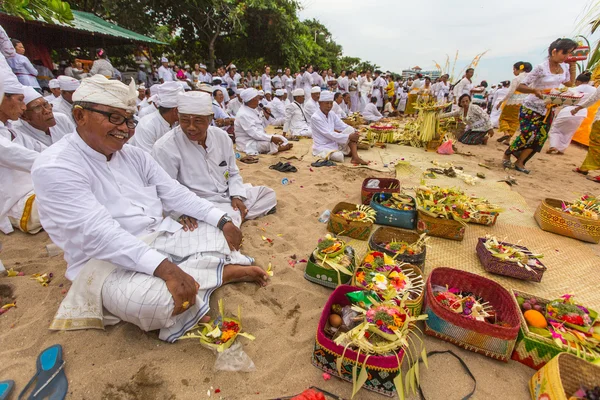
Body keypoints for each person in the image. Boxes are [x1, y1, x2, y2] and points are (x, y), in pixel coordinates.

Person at [31, 75, 267, 341]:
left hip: (160, 236)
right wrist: (165, 269)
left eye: (129, 120)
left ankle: (204, 276)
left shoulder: (134, 155)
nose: (125, 129)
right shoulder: (56, 166)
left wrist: (222, 220)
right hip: (105, 262)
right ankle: (218, 273)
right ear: (80, 115)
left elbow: (176, 193)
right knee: (156, 302)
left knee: (218, 230)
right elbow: (98, 234)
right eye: (114, 118)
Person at [152, 91, 277, 227]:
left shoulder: (221, 137)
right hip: (197, 204)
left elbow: (233, 173)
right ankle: (231, 219)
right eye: (185, 120)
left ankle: (233, 217)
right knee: (216, 221)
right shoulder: (165, 147)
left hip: (226, 196)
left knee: (267, 194)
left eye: (198, 121)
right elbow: (166, 192)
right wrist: (179, 213)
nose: (191, 127)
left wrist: (236, 195)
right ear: (178, 117)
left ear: (210, 118)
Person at [503, 39, 577, 173]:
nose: (566, 57)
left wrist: (572, 67)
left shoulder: (564, 67)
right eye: (564, 53)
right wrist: (534, 91)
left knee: (539, 138)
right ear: (554, 51)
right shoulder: (541, 68)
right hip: (532, 107)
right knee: (527, 135)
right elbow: (521, 86)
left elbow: (569, 84)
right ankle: (507, 153)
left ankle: (520, 162)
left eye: (569, 54)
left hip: (548, 108)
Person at [0, 75, 44, 235]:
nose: (24, 107)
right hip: (14, 203)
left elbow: (45, 151)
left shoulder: (10, 129)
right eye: (20, 100)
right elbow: (33, 158)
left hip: (33, 192)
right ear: (2, 98)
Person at [546, 71, 596, 155]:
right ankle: (561, 149)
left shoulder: (572, 89)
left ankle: (553, 145)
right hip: (582, 113)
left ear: (578, 81)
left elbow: (561, 98)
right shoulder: (594, 90)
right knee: (569, 132)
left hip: (568, 111)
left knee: (555, 129)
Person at [311, 91, 367, 165]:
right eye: (327, 103)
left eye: (331, 103)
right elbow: (329, 134)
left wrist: (355, 132)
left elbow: (342, 126)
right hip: (322, 146)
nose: (329, 106)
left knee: (350, 129)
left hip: (334, 142)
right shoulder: (315, 117)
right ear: (320, 103)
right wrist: (349, 136)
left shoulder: (331, 114)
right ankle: (349, 152)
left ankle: (355, 157)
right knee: (339, 157)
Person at [234, 88, 292, 155]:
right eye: (257, 98)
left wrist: (266, 117)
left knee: (281, 138)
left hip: (257, 138)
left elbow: (261, 127)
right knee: (269, 143)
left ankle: (275, 148)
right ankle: (277, 148)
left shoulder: (253, 110)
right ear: (252, 100)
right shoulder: (243, 114)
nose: (259, 101)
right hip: (247, 143)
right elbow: (254, 133)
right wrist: (271, 138)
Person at [131, 81, 182, 152]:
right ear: (175, 110)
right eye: (183, 108)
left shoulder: (177, 123)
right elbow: (148, 159)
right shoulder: (147, 126)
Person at [496, 62, 533, 145]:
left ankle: (506, 133)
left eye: (514, 69)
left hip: (512, 102)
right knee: (515, 121)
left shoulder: (517, 79)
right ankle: (508, 140)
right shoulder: (531, 79)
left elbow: (510, 92)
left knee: (503, 118)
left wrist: (501, 101)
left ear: (519, 69)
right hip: (523, 103)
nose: (513, 72)